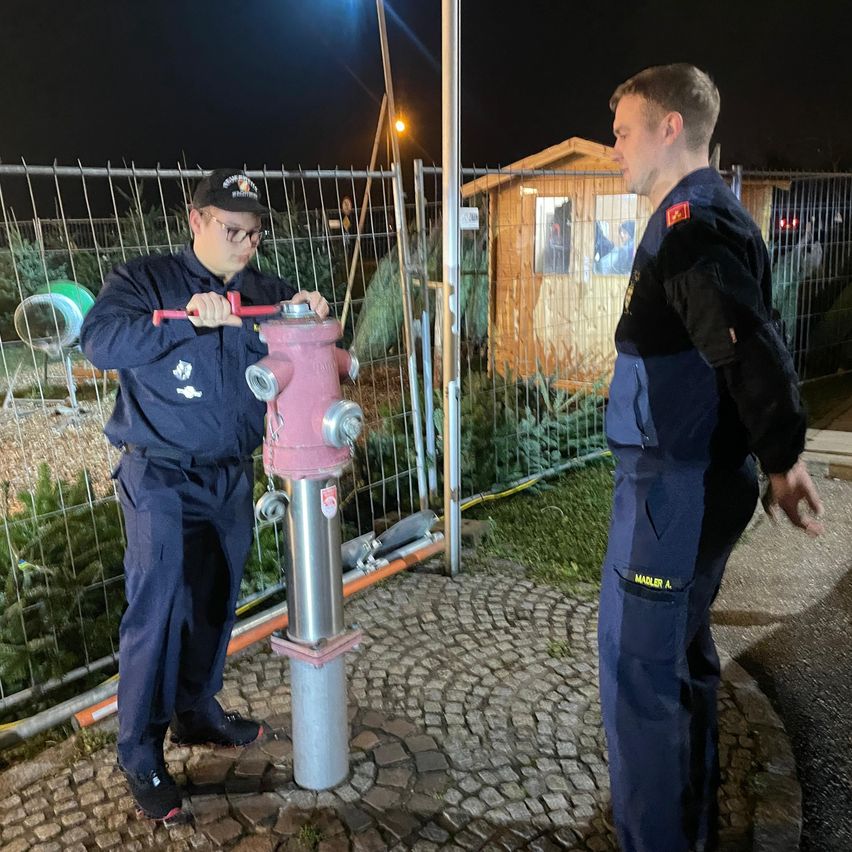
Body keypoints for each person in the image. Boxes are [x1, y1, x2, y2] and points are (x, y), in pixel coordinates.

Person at [598, 65, 823, 851]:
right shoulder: (709, 215)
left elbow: (745, 339)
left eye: (623, 131)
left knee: (642, 681)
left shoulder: (691, 222)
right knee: (681, 664)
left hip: (673, 493)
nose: (613, 147)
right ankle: (686, 829)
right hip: (689, 483)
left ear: (670, 128)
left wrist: (783, 455)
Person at [80, 169, 329, 825]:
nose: (245, 245)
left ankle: (196, 711)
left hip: (229, 475)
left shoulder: (263, 291)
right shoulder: (146, 281)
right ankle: (139, 751)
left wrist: (310, 307)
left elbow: (304, 333)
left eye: (254, 233)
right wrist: (185, 322)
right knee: (158, 609)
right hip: (158, 475)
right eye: (232, 230)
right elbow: (100, 342)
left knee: (216, 602)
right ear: (196, 220)